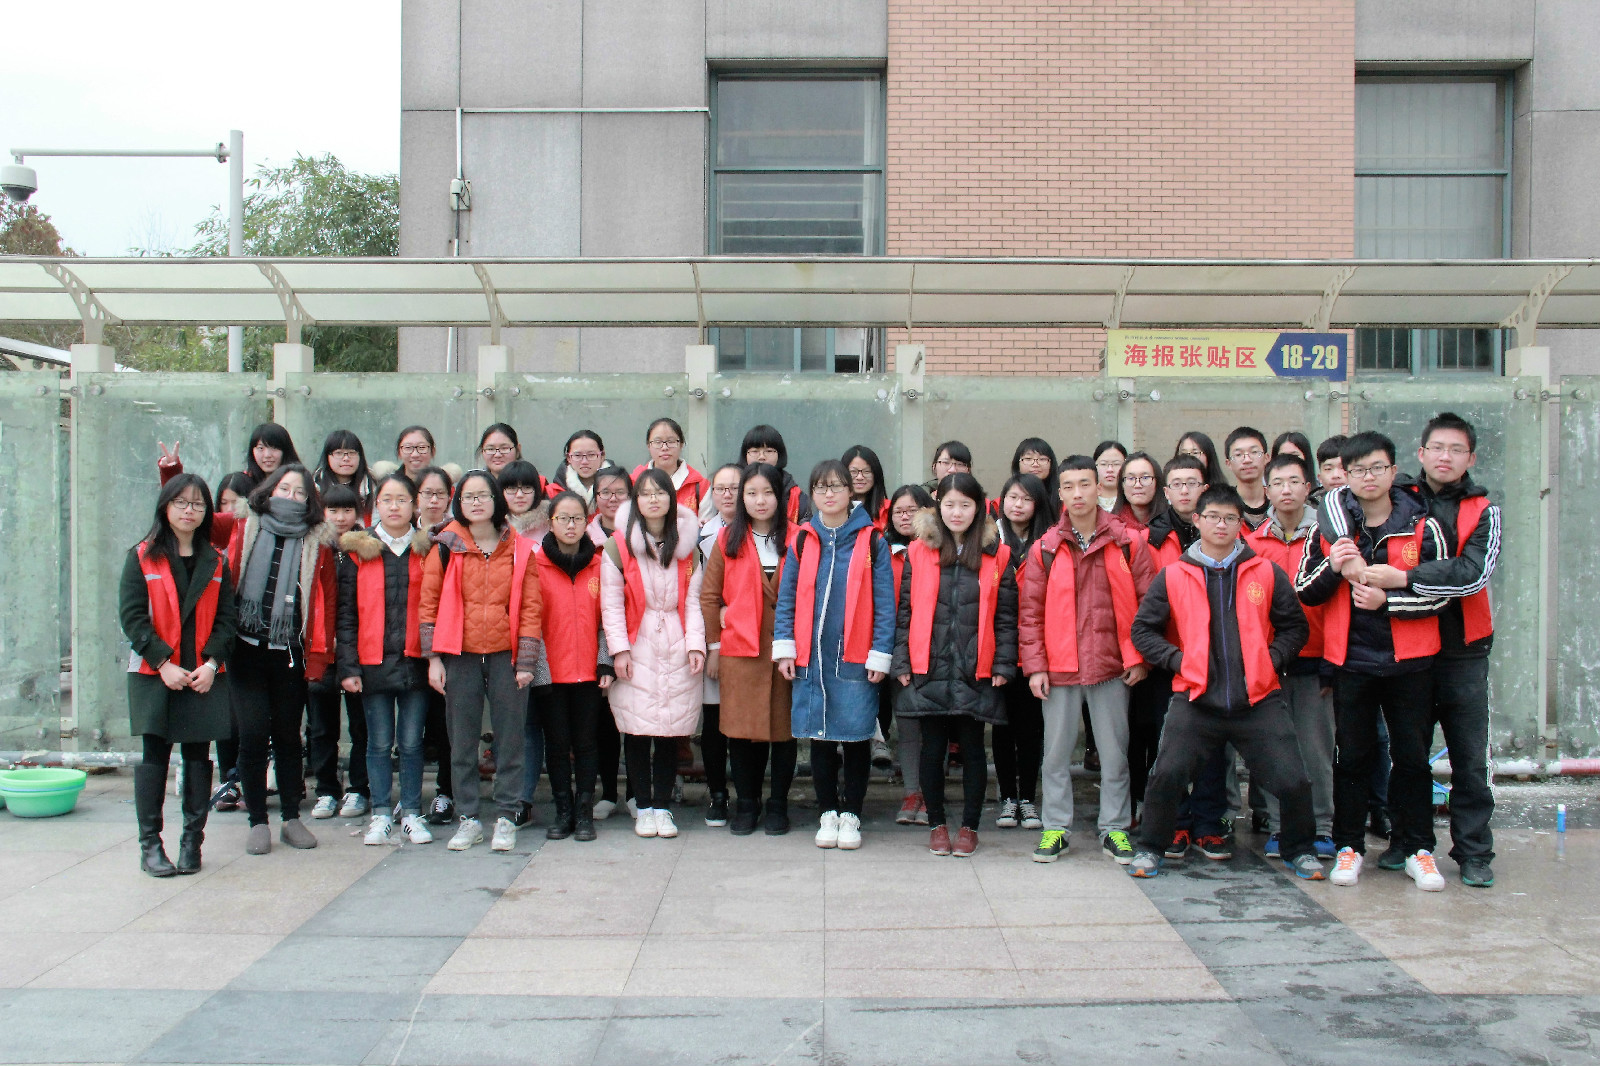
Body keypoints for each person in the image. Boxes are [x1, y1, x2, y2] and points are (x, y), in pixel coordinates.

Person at [1127, 486, 1321, 880]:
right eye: (1213, 516)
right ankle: (1149, 848)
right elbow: (1143, 630)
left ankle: (1300, 850)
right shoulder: (1174, 574)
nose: (1221, 524)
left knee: (1294, 779)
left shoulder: (1265, 572)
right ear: (1197, 520)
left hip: (1258, 698)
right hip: (1195, 696)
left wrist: (1269, 660)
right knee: (1166, 775)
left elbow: (1294, 628)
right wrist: (1179, 661)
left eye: (1230, 518)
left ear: (1239, 524)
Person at [1349, 412, 1501, 889]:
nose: (1445, 457)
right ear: (1421, 453)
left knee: (1469, 757)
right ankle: (1408, 840)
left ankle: (1473, 851)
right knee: (1409, 753)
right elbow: (1337, 501)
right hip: (1409, 647)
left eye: (1456, 450)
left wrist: (1405, 578)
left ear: (1470, 458)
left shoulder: (1484, 510)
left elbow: (1472, 574)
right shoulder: (1399, 495)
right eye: (1437, 447)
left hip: (1462, 650)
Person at [1296, 431, 1450, 891]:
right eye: (1359, 470)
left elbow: (1442, 593)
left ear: (1393, 470)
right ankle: (1349, 846)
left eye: (1377, 468)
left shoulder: (1424, 525)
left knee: (1412, 759)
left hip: (1412, 662)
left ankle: (1418, 848)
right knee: (1352, 758)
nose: (1369, 477)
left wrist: (1390, 600)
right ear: (1345, 475)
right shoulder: (1331, 529)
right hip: (1353, 662)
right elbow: (1305, 590)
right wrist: (1333, 565)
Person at [1018, 456, 1155, 864]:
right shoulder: (1045, 547)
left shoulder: (1129, 541)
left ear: (1099, 488)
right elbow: (1030, 613)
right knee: (1055, 754)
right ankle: (1055, 828)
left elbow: (1149, 606)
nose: (1077, 493)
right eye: (1069, 486)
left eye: (1085, 484)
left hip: (1112, 665)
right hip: (1059, 666)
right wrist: (1035, 666)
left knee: (1115, 754)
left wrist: (1140, 657)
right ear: (1059, 493)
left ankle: (1115, 827)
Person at [893, 473, 1019, 858]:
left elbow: (1006, 617)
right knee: (932, 749)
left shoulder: (997, 554)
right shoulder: (919, 550)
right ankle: (936, 824)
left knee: (973, 748)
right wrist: (902, 659)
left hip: (975, 665)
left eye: (965, 504)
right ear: (938, 507)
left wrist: (1003, 664)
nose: (957, 512)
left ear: (979, 507)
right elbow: (904, 611)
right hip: (928, 664)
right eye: (949, 504)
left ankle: (969, 827)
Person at [419, 469, 544, 854]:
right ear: (459, 502)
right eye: (468, 496)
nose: (476, 502)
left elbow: (531, 607)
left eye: (483, 495)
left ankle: (506, 816)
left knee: (511, 739)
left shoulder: (519, 547)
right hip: (460, 655)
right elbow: (428, 605)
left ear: (496, 500)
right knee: (461, 741)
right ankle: (469, 818)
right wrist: (433, 658)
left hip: (507, 655)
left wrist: (527, 662)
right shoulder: (445, 545)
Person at [774, 459, 896, 851]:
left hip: (854, 656)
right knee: (820, 737)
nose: (829, 494)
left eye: (837, 486)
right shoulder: (802, 539)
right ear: (812, 493)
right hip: (812, 656)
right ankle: (828, 811)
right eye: (821, 487)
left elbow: (885, 605)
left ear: (850, 491)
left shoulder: (872, 541)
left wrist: (880, 653)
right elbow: (787, 599)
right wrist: (785, 647)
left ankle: (852, 813)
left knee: (857, 736)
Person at [120, 474, 237, 876]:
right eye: (181, 503)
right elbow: (133, 618)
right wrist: (163, 664)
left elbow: (227, 620)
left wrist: (211, 665)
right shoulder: (142, 556)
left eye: (198, 504)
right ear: (165, 507)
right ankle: (150, 846)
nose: (190, 511)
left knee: (198, 757)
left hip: (201, 674)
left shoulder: (216, 559)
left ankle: (192, 843)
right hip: (156, 673)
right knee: (154, 756)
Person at [228, 464, 338, 855]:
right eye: (285, 489)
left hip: (290, 654)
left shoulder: (319, 542)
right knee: (253, 734)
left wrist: (320, 659)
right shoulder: (245, 525)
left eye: (300, 492)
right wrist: (170, 473)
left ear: (310, 501)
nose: (291, 497)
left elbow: (326, 603)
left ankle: (291, 818)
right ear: (270, 490)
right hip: (244, 650)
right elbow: (193, 522)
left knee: (289, 737)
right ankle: (258, 821)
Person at [600, 468, 706, 840]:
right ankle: (643, 807)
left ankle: (662, 807)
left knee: (669, 732)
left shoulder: (688, 548)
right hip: (637, 642)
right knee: (637, 730)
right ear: (636, 502)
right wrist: (619, 651)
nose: (653, 499)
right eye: (645, 493)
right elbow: (611, 605)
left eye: (660, 492)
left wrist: (696, 644)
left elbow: (694, 602)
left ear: (671, 499)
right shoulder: (618, 546)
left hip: (676, 642)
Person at [336, 472, 435, 847]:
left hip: (415, 661)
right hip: (371, 662)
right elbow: (346, 615)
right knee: (377, 743)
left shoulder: (428, 549)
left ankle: (411, 812)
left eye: (402, 500)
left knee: (411, 743)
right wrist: (348, 666)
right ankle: (380, 813)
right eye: (387, 500)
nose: (394, 507)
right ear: (375, 505)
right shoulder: (359, 551)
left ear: (415, 505)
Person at [1245, 454, 1335, 858]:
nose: (1286, 490)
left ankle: (1322, 826)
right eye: (1278, 483)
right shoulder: (1251, 545)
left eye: (1294, 481)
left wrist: (1334, 659)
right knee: (1274, 748)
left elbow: (1338, 605)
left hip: (1316, 660)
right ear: (1266, 491)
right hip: (1268, 663)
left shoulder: (1326, 538)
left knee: (1316, 750)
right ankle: (1280, 826)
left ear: (1308, 488)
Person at [701, 463, 797, 836]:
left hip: (787, 651)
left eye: (767, 492)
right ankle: (747, 803)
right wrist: (714, 644)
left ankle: (778, 805)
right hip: (741, 650)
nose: (760, 501)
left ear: (780, 496)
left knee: (784, 732)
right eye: (752, 493)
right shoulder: (728, 539)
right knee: (741, 733)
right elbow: (710, 596)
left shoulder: (799, 537)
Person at [534, 491, 613, 842]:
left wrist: (605, 663)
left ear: (586, 522)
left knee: (586, 743)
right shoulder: (535, 565)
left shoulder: (599, 564)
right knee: (556, 744)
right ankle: (563, 810)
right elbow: (530, 622)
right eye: (563, 518)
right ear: (550, 523)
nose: (570, 525)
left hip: (588, 674)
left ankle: (584, 812)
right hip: (551, 673)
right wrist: (540, 673)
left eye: (577, 518)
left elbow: (608, 620)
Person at [991, 473, 1052, 831]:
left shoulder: (1049, 541)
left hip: (1036, 649)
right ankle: (1007, 798)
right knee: (1002, 727)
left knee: (1031, 727)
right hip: (998, 648)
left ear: (1038, 505)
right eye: (1012, 497)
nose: (1018, 505)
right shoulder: (990, 538)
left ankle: (1027, 798)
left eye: (1026, 499)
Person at [307, 484, 370, 822]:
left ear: (358, 513)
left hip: (358, 650)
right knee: (321, 727)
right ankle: (326, 789)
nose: (341, 517)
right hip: (320, 648)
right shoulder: (313, 547)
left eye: (347, 510)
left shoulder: (368, 547)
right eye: (333, 510)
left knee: (361, 726)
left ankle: (359, 788)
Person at [884, 484, 935, 826]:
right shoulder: (882, 550)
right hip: (895, 647)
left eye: (912, 510)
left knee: (934, 726)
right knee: (907, 724)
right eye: (898, 511)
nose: (904, 517)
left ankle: (931, 792)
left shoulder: (939, 548)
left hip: (933, 647)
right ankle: (912, 791)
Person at [697, 464, 744, 826]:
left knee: (743, 720)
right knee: (713, 723)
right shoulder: (700, 535)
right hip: (712, 635)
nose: (727, 494)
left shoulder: (761, 532)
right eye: (720, 488)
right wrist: (711, 644)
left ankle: (747, 795)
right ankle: (717, 794)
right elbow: (703, 595)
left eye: (735, 487)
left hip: (747, 637)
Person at [412, 465, 458, 824]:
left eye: (440, 493)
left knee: (445, 725)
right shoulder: (400, 535)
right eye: (426, 493)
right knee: (411, 727)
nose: (433, 500)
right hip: (404, 643)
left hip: (444, 642)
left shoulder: (455, 538)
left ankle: (446, 792)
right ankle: (410, 796)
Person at [587, 464, 632, 822]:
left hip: (634, 636)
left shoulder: (638, 535)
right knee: (603, 721)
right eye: (605, 492)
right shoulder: (583, 536)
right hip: (593, 638)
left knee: (632, 717)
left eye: (620, 493)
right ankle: (608, 792)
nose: (612, 499)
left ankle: (635, 791)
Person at [634, 417, 709, 514]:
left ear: (681, 444)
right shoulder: (634, 481)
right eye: (658, 442)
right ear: (648, 446)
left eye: (671, 441)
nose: (664, 447)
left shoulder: (700, 486)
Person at [1144, 455, 1207, 570]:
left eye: (1192, 483)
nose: (1184, 491)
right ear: (1166, 492)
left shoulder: (1220, 529)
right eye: (1176, 484)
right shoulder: (1149, 537)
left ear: (1205, 489)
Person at [741, 424, 812, 521]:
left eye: (769, 451)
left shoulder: (796, 496)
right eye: (755, 451)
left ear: (779, 454)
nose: (761, 457)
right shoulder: (734, 488)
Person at [313, 430, 375, 516]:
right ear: (327, 456)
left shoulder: (373, 487)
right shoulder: (314, 487)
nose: (346, 458)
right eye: (339, 453)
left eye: (352, 453)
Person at [1223, 427, 1271, 530]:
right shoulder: (1222, 506)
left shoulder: (1278, 503)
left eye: (1254, 452)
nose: (1247, 460)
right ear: (1228, 463)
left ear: (1266, 458)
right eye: (1238, 454)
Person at [547, 429, 607, 507]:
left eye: (591, 455)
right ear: (568, 458)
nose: (584, 461)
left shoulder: (619, 490)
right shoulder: (552, 492)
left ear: (602, 456)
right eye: (577, 455)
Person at [1112, 452, 1164, 533]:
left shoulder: (1172, 524)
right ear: (1122, 485)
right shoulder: (1110, 527)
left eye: (1145, 478)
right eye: (1131, 478)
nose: (1137, 485)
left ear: (1157, 482)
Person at [843, 444, 890, 532]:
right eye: (853, 471)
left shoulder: (889, 510)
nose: (860, 477)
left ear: (876, 474)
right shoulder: (833, 511)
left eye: (866, 471)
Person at [1092, 440, 1127, 512]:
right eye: (1103, 464)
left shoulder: (1132, 501)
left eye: (1116, 464)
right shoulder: (1087, 501)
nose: (1110, 470)